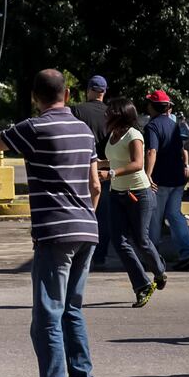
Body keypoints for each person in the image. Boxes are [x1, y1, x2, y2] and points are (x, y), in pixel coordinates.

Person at [0, 69, 101, 377]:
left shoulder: (34, 128)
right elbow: (95, 186)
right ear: (68, 92)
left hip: (55, 232)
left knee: (47, 314)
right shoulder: (84, 130)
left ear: (35, 96)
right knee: (72, 310)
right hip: (87, 229)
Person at [100, 98, 166, 307]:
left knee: (141, 241)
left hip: (138, 194)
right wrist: (95, 162)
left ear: (121, 114)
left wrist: (110, 173)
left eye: (110, 111)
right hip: (117, 194)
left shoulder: (134, 134)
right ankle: (142, 285)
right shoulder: (113, 135)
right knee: (119, 241)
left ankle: (159, 271)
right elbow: (115, 159)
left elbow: (138, 164)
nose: (106, 114)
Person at [144, 90, 189, 270]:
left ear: (152, 106)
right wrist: (185, 166)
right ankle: (188, 252)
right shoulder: (173, 125)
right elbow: (182, 149)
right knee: (175, 215)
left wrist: (148, 175)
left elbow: (152, 151)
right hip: (176, 179)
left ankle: (151, 258)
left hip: (160, 180)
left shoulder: (152, 126)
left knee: (154, 218)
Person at [70, 75, 111, 268]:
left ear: (89, 90)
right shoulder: (112, 113)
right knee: (103, 216)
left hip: (81, 169)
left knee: (80, 212)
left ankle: (78, 254)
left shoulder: (77, 110)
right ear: (104, 92)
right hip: (106, 171)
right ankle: (99, 255)